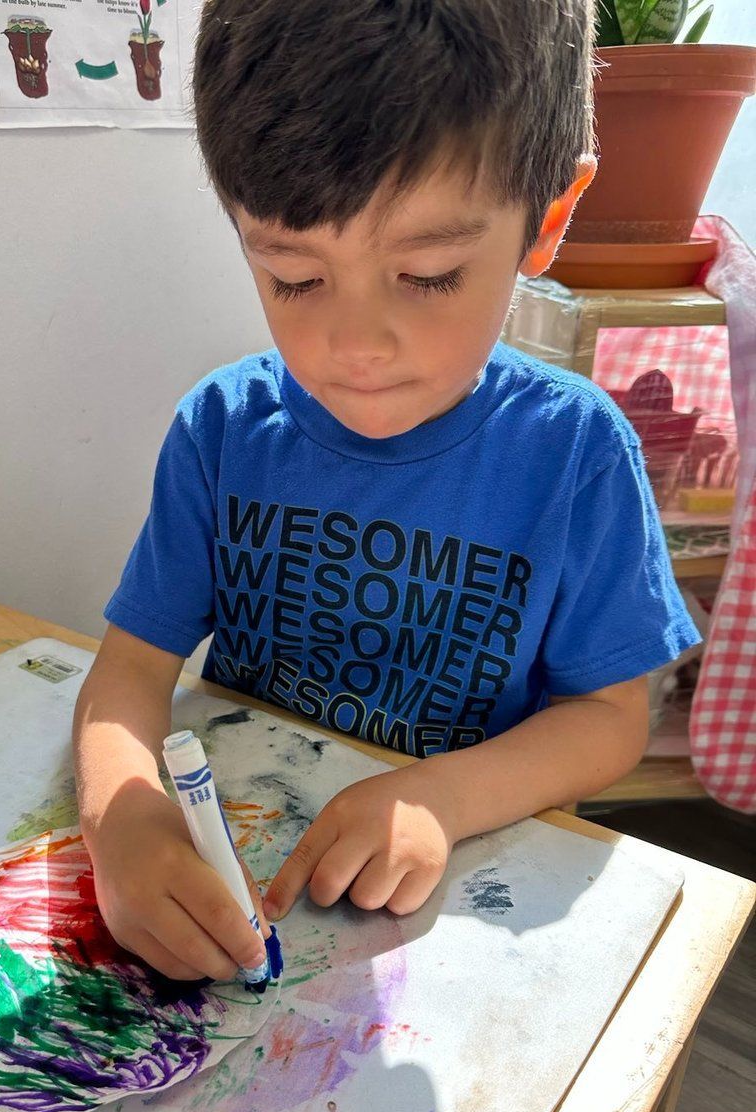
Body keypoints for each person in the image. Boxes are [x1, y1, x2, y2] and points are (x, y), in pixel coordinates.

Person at [73, 0, 699, 980]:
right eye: (291, 276)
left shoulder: (575, 453)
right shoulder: (223, 432)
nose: (354, 347)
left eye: (429, 274)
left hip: (455, 922)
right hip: (246, 877)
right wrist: (121, 815)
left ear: (548, 219)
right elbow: (128, 672)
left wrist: (439, 798)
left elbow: (611, 718)